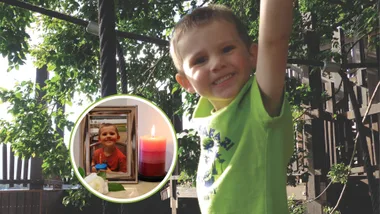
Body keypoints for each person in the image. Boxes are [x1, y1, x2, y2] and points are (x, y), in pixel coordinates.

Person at [170, 2, 294, 214]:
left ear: (253, 55)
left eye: (227, 49)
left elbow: (274, 41)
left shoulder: (260, 104)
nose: (217, 64)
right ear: (186, 83)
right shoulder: (205, 115)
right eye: (200, 60)